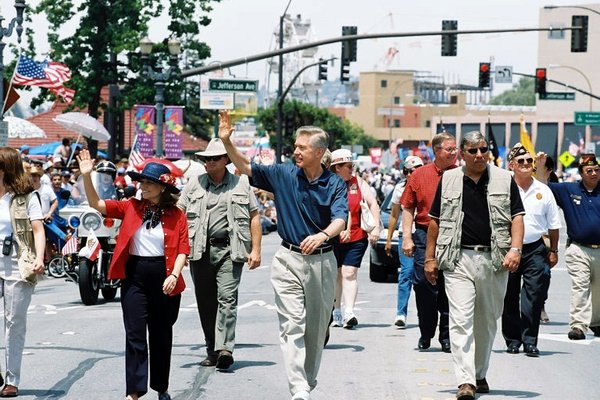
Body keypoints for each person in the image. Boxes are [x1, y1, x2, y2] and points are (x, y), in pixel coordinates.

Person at [218, 110, 347, 400]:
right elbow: (246, 166)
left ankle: (307, 380)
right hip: (287, 259)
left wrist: (323, 235)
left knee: (315, 329)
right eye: (295, 146)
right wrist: (228, 142)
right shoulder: (283, 173)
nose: (295, 151)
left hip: (323, 261)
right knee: (292, 325)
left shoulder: (336, 184)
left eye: (301, 147)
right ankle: (298, 388)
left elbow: (341, 220)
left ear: (319, 152)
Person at [77, 149, 189, 400]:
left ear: (162, 187)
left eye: (149, 182)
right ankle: (135, 392)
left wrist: (174, 275)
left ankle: (161, 387)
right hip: (135, 277)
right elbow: (97, 205)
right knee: (135, 334)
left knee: (161, 335)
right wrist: (87, 176)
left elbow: (183, 248)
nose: (142, 186)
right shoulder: (131, 207)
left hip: (165, 277)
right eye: (141, 181)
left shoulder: (177, 215)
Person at [425, 131, 524, 400]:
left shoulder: (505, 179)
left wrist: (515, 249)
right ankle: (465, 381)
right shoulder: (449, 179)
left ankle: (479, 373)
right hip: (458, 260)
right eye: (473, 150)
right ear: (462, 153)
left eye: (483, 149)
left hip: (494, 260)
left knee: (487, 321)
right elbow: (435, 220)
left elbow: (517, 216)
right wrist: (430, 258)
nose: (479, 155)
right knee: (460, 320)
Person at [178, 137, 261, 370]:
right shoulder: (194, 184)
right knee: (205, 302)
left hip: (230, 249)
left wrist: (255, 249)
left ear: (226, 159)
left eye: (215, 158)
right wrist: (179, 251)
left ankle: (225, 348)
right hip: (199, 250)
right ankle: (212, 350)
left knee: (227, 298)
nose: (209, 162)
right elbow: (178, 215)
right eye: (206, 159)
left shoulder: (241, 184)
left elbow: (254, 216)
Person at [501, 144, 561, 357]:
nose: (526, 164)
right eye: (521, 161)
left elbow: (554, 225)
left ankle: (529, 340)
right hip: (508, 249)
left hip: (535, 248)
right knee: (509, 295)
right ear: (512, 165)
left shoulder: (543, 191)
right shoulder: (503, 188)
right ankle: (512, 340)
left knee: (533, 295)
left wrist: (553, 250)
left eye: (529, 161)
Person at [400, 132, 457, 352]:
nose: (453, 153)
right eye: (449, 149)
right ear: (436, 151)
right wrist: (407, 237)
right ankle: (426, 331)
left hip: (454, 235)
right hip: (424, 234)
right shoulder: (419, 175)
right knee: (423, 284)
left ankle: (446, 335)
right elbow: (407, 207)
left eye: (455, 149)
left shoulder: (463, 174)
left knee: (449, 286)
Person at [535, 152, 600, 340]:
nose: (594, 173)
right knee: (580, 286)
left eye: (597, 170)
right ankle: (578, 326)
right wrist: (540, 168)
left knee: (597, 289)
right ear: (581, 173)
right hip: (579, 248)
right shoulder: (569, 190)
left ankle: (595, 322)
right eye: (589, 170)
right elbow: (542, 188)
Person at [0, 147, 46, 397]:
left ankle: (11, 380)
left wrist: (39, 258)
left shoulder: (27, 197)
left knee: (14, 323)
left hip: (18, 263)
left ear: (5, 169)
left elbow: (38, 230)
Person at [329, 149, 380, 329]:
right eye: (349, 166)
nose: (352, 169)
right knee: (335, 274)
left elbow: (373, 203)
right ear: (337, 167)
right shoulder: (327, 183)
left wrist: (376, 227)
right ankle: (336, 311)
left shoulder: (357, 182)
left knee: (349, 273)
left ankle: (349, 312)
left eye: (352, 166)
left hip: (356, 237)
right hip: (333, 238)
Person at [385, 155, 423, 328]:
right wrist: (388, 238)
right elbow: (394, 215)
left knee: (424, 276)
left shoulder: (429, 184)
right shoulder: (400, 188)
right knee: (406, 273)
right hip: (405, 235)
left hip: (424, 234)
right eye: (409, 171)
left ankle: (430, 313)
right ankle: (401, 313)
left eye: (416, 169)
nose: (412, 174)